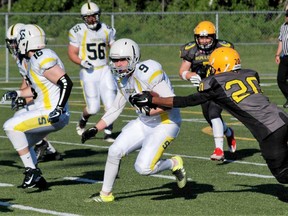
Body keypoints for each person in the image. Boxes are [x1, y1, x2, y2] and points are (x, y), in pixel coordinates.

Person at [130, 47, 288, 185]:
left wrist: (152, 99)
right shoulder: (251, 73)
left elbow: (186, 100)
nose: (211, 69)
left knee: (282, 175)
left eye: (213, 67)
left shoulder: (215, 83)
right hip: (282, 118)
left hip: (269, 131)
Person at [81, 38, 187, 202]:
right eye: (115, 61)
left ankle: (174, 163)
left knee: (143, 168)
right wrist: (96, 128)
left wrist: (150, 111)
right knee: (114, 151)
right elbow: (116, 106)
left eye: (122, 60)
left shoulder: (147, 71)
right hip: (144, 122)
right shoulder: (122, 79)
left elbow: (171, 102)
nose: (118, 64)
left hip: (165, 123)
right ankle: (106, 194)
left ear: (134, 58)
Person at [2, 24, 73, 189]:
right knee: (23, 142)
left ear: (27, 40)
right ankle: (37, 177)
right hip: (46, 109)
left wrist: (59, 109)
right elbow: (37, 90)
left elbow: (66, 82)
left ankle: (31, 171)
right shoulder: (35, 59)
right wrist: (17, 93)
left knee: (10, 126)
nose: (17, 43)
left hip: (52, 112)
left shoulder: (42, 56)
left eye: (19, 40)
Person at [178, 20, 236, 161]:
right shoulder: (191, 50)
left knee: (214, 113)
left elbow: (234, 64)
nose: (203, 41)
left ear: (213, 36)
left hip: (220, 85)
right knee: (210, 118)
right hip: (204, 88)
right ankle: (228, 133)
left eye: (207, 37)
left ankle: (218, 150)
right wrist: (189, 75)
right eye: (201, 37)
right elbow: (182, 71)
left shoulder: (223, 46)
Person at [5, 23, 63, 163]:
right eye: (11, 43)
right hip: (42, 96)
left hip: (51, 100)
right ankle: (43, 150)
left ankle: (41, 148)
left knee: (16, 122)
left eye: (15, 42)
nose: (13, 46)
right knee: (20, 117)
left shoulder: (35, 56)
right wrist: (20, 95)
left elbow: (43, 85)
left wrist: (25, 97)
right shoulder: (22, 58)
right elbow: (28, 82)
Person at [68, 1, 117, 142]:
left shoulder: (107, 30)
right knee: (93, 108)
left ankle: (108, 131)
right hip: (88, 72)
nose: (91, 19)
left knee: (110, 104)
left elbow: (114, 47)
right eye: (88, 17)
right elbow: (72, 52)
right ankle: (83, 120)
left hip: (105, 70)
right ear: (83, 18)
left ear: (98, 15)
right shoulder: (77, 31)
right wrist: (81, 61)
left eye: (94, 16)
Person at [275, 9, 288, 108]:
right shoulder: (283, 27)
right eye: (286, 15)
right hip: (285, 57)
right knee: (280, 79)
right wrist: (277, 55)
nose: (286, 17)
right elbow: (281, 41)